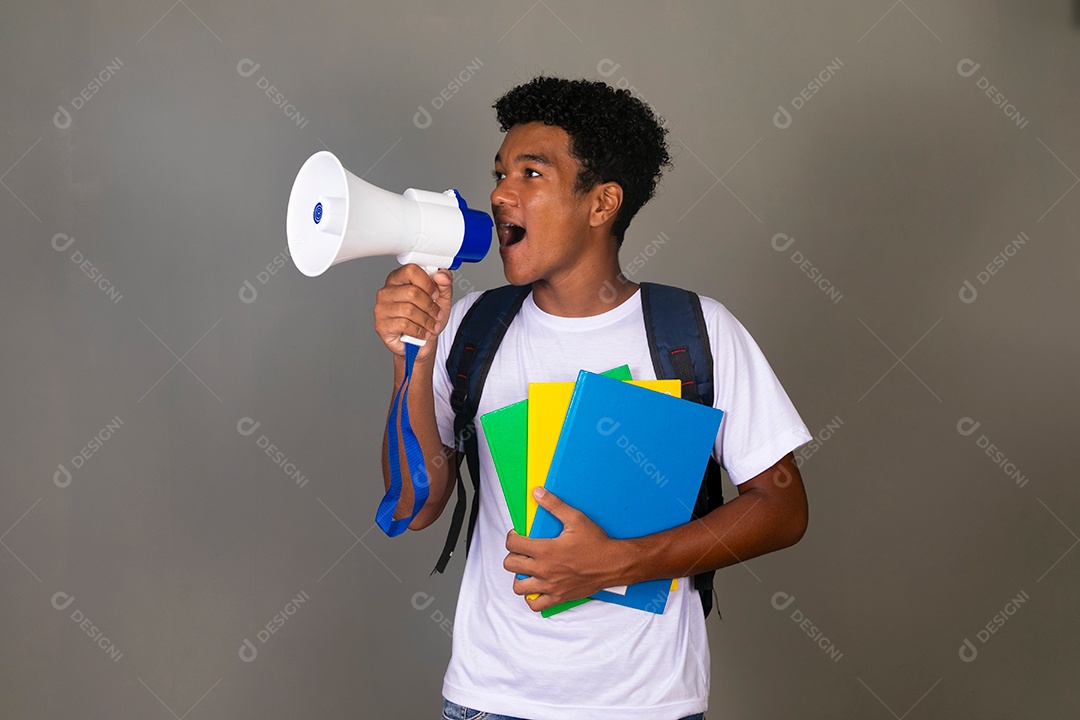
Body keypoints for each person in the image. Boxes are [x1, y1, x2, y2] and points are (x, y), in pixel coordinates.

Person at [374, 76, 811, 720]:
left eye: (531, 173)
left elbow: (782, 508)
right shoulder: (469, 326)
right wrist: (411, 357)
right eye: (499, 172)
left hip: (648, 705)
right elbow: (416, 503)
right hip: (489, 700)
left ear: (602, 203)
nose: (499, 194)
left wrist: (614, 563)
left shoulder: (695, 332)